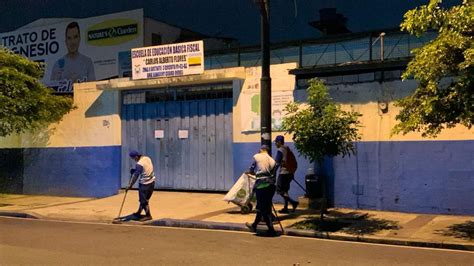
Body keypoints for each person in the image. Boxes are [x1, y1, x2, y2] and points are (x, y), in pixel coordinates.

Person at [245, 145, 277, 236]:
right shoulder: (272, 160)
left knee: (263, 209)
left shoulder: (257, 156)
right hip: (271, 186)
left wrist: (250, 172)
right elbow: (271, 173)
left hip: (262, 185)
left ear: (261, 149)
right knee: (262, 207)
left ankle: (271, 229)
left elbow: (252, 169)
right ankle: (254, 225)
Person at [128, 150, 156, 221]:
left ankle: (148, 215)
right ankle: (138, 212)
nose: (134, 160)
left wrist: (130, 185)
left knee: (143, 201)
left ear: (137, 157)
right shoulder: (147, 158)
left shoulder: (139, 164)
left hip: (144, 184)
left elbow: (136, 176)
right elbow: (145, 169)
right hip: (152, 182)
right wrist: (134, 170)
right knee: (144, 199)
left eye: (134, 158)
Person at [274, 135, 299, 213]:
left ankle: (293, 202)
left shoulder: (280, 150)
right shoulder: (288, 148)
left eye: (276, 142)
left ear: (278, 142)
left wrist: (273, 172)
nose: (275, 144)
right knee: (285, 190)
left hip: (283, 173)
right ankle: (285, 207)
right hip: (290, 173)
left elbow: (277, 163)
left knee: (279, 190)